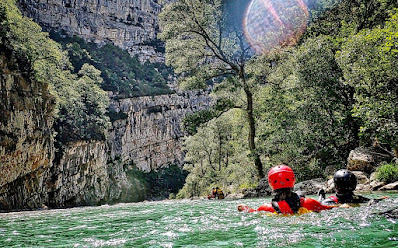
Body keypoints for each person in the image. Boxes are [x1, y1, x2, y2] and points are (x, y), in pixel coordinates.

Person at [238, 164, 332, 215]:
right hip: (307, 206)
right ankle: (321, 196)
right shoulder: (309, 203)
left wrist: (244, 207)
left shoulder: (266, 208)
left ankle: (321, 196)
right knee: (320, 201)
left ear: (271, 184)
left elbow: (253, 212)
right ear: (293, 180)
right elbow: (329, 209)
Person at [319, 169, 387, 206]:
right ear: (354, 185)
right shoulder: (358, 198)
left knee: (321, 200)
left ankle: (321, 195)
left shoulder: (329, 201)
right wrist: (382, 198)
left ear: (336, 186)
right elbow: (372, 200)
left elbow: (320, 206)